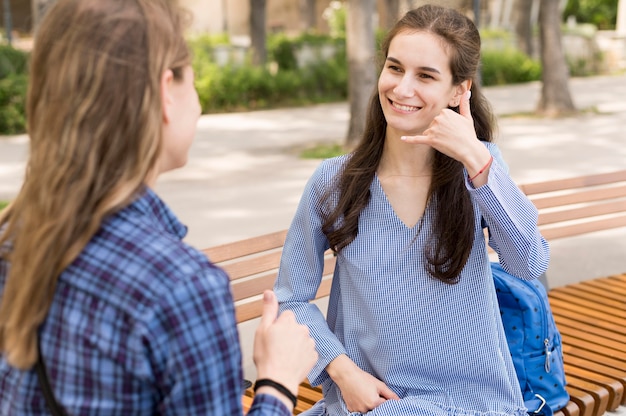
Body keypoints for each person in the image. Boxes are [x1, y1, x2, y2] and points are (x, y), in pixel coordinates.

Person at [0, 0, 317, 414]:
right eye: (193, 78)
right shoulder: (181, 287)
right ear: (166, 90)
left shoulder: (15, 235)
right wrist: (277, 380)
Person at [274, 4, 549, 416]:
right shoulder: (333, 183)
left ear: (460, 91)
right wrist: (343, 371)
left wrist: (476, 162)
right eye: (395, 68)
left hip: (472, 404)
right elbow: (288, 300)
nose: (403, 89)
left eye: (425, 76)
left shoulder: (479, 169)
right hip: (371, 402)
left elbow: (529, 262)